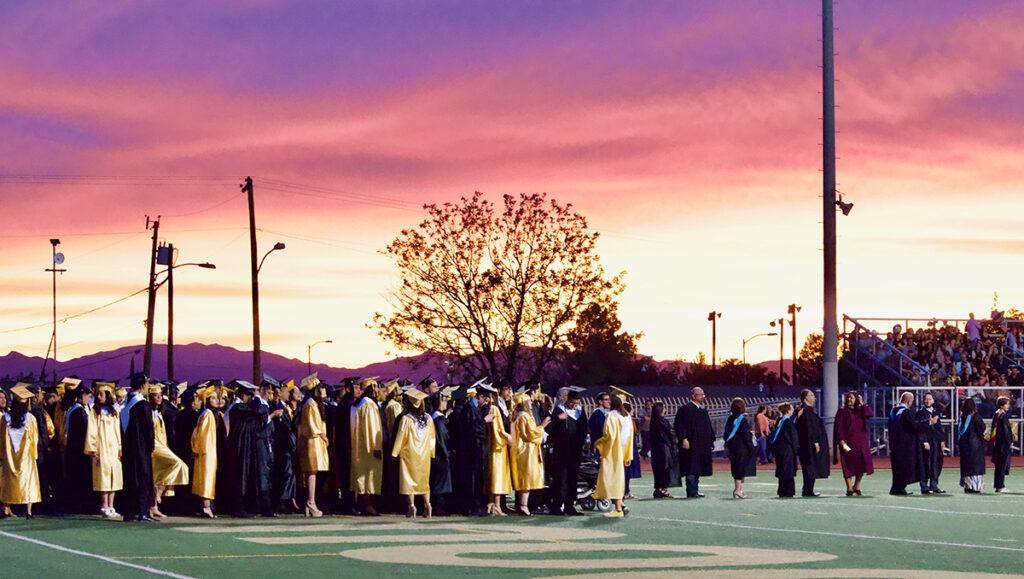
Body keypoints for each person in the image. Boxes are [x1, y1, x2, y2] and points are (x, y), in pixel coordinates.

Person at [391, 389, 436, 518]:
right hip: (424, 455)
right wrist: (431, 453)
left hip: (409, 454)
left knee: (408, 480)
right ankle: (428, 504)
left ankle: (412, 506)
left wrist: (394, 453)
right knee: (423, 481)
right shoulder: (428, 418)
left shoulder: (406, 419)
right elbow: (432, 437)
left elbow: (401, 437)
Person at [0, 385, 42, 518]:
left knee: (8, 480)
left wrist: (2, 454)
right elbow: (34, 439)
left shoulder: (5, 418)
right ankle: (28, 511)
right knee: (28, 480)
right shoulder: (30, 418)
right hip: (26, 457)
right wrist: (34, 455)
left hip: (9, 456)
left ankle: (6, 508)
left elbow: (1, 438)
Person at [119, 373, 156, 522]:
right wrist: (151, 445)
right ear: (142, 386)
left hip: (129, 447)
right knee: (143, 477)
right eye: (147, 384)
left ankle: (130, 512)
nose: (148, 388)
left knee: (130, 477)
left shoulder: (126, 404)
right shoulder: (142, 404)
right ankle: (143, 512)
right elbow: (148, 428)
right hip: (141, 447)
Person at [149, 383, 189, 518]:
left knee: (159, 475)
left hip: (162, 445)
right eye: (155, 396)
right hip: (155, 446)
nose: (158, 398)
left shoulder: (159, 413)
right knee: (178, 464)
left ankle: (154, 505)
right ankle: (157, 496)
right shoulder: (149, 413)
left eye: (160, 396)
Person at [546, 387, 588, 515]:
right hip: (561, 451)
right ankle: (557, 505)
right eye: (571, 403)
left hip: (575, 451)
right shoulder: (559, 411)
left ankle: (570, 505)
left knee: (572, 478)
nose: (574, 406)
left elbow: (584, 429)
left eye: (576, 403)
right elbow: (550, 429)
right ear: (567, 400)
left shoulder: (580, 412)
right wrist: (559, 419)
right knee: (560, 478)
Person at [86, 383, 123, 519]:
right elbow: (92, 431)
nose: (99, 396)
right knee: (103, 477)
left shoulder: (114, 411)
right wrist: (93, 450)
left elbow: (117, 430)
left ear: (108, 396)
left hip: (113, 448)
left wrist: (120, 447)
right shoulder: (95, 411)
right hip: (101, 447)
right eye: (98, 394)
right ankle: (104, 506)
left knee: (115, 477)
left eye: (102, 394)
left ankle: (111, 506)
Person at [510, 394, 550, 516]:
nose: (531, 405)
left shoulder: (519, 416)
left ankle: (522, 505)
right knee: (526, 480)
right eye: (529, 402)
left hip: (522, 451)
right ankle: (523, 506)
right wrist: (542, 426)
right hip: (526, 452)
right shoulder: (524, 417)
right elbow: (531, 434)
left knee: (524, 480)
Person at [594, 395, 633, 517]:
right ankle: (620, 505)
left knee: (610, 479)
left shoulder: (611, 416)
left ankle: (618, 508)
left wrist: (598, 444)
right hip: (621, 451)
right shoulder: (627, 416)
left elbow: (608, 435)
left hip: (611, 452)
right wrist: (627, 455)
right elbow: (629, 437)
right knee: (617, 479)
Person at [298, 374, 330, 517]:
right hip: (313, 440)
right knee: (312, 471)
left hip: (313, 440)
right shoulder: (310, 403)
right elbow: (312, 424)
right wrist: (323, 435)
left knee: (313, 472)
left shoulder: (309, 402)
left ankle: (310, 502)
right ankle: (311, 502)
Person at [674, 387, 714, 498]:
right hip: (691, 443)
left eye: (703, 394)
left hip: (701, 444)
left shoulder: (703, 410)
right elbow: (680, 425)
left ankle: (695, 490)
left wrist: (710, 441)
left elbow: (708, 427)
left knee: (697, 467)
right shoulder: (685, 409)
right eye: (700, 394)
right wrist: (684, 438)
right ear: (694, 396)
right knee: (691, 467)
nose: (703, 396)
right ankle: (691, 491)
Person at [834, 391, 874, 496]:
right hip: (848, 441)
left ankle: (857, 486)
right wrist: (841, 441)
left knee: (861, 464)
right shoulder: (842, 411)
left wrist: (862, 404)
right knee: (847, 464)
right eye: (848, 398)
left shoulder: (860, 410)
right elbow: (839, 428)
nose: (849, 400)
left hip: (861, 442)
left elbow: (869, 414)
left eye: (851, 398)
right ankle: (849, 488)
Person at [63, 383, 94, 512]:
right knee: (80, 478)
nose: (89, 399)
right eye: (88, 396)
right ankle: (80, 504)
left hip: (73, 448)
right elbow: (83, 432)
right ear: (82, 395)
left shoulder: (72, 410)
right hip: (79, 450)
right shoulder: (79, 411)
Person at [191, 386, 220, 518]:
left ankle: (203, 506)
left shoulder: (205, 413)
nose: (216, 400)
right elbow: (203, 435)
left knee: (203, 478)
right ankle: (206, 507)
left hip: (205, 451)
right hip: (207, 451)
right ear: (207, 400)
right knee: (207, 478)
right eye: (212, 398)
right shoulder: (208, 414)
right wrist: (201, 450)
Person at [484, 384, 513, 516]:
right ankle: (496, 505)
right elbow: (497, 430)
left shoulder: (496, 407)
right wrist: (508, 437)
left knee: (495, 474)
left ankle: (493, 503)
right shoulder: (494, 408)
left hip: (496, 445)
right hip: (497, 446)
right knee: (497, 475)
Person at [888, 392, 920, 495]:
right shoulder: (905, 412)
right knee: (903, 466)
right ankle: (900, 488)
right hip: (904, 444)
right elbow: (912, 427)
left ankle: (895, 487)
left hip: (894, 442)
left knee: (896, 466)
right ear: (908, 401)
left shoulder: (893, 410)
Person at [427, 388, 453, 516]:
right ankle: (438, 507)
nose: (446, 403)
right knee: (440, 482)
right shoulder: (437, 419)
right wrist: (447, 452)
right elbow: (442, 439)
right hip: (440, 455)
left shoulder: (437, 418)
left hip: (440, 454)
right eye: (443, 400)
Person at [724, 398, 756, 499]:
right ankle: (738, 489)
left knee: (737, 468)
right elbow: (746, 435)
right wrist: (751, 447)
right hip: (742, 448)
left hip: (733, 447)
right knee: (740, 469)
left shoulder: (730, 419)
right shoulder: (743, 420)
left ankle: (740, 489)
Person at [915, 392, 945, 495]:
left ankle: (934, 485)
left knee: (936, 463)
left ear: (933, 400)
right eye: (926, 399)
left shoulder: (936, 412)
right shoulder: (920, 413)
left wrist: (942, 440)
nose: (928, 401)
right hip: (927, 442)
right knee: (925, 464)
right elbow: (919, 429)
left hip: (935, 442)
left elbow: (939, 428)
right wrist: (924, 442)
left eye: (930, 399)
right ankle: (924, 486)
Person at [649, 401, 680, 498]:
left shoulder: (653, 421)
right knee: (665, 468)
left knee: (658, 469)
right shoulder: (662, 421)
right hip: (664, 448)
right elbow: (670, 433)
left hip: (656, 449)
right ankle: (663, 489)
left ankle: (658, 489)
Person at [958, 398, 986, 493]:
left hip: (964, 444)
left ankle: (968, 485)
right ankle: (975, 487)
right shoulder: (976, 416)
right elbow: (981, 428)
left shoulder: (962, 417)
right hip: (975, 445)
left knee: (967, 466)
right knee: (975, 467)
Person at [771, 402, 798, 498]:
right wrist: (796, 450)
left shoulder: (779, 421)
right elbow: (793, 438)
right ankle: (789, 491)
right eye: (791, 409)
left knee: (782, 470)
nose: (793, 410)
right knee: (788, 470)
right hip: (788, 449)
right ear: (787, 411)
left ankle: (782, 491)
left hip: (780, 449)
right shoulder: (789, 423)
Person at [991, 396, 1013, 493]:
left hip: (997, 444)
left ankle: (998, 485)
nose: (1008, 406)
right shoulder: (1002, 416)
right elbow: (1005, 431)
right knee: (1002, 465)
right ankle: (1000, 486)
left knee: (998, 466)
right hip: (1002, 444)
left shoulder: (996, 414)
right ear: (1001, 405)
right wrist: (1010, 441)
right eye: (1006, 404)